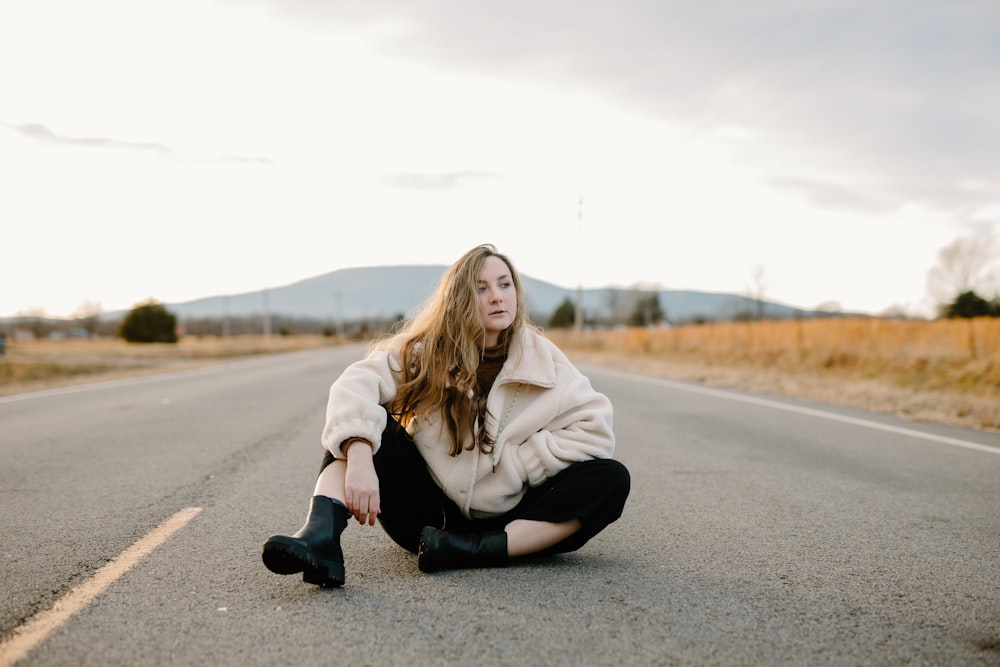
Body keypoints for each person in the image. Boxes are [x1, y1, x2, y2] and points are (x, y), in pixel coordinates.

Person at [261, 244, 630, 587]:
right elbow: (356, 384)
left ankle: (479, 550)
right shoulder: (427, 351)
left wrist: (523, 465)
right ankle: (319, 538)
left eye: (505, 284)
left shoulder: (542, 359)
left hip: (511, 520)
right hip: (426, 519)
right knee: (360, 427)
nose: (497, 296)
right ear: (460, 299)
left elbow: (594, 428)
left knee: (611, 479)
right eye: (481, 288)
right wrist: (359, 458)